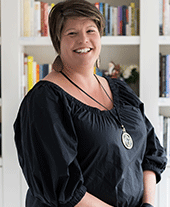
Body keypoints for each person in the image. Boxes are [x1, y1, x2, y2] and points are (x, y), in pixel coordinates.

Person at [13, 0, 167, 206]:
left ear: (100, 36)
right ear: (57, 41)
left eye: (90, 30)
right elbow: (62, 187)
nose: (83, 40)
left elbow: (151, 153)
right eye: (72, 33)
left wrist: (148, 204)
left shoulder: (120, 90)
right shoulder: (44, 101)